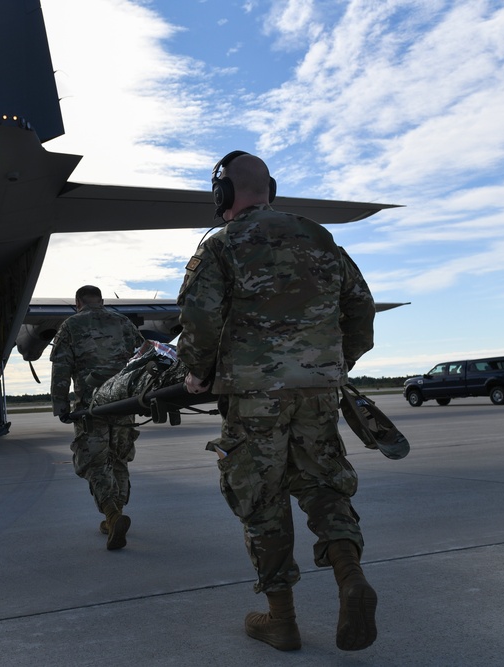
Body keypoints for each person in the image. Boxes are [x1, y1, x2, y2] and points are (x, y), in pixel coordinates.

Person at [177, 151, 378, 652]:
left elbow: (199, 320)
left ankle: (281, 619)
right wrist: (332, 365)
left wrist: (197, 373)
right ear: (272, 189)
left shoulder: (222, 245)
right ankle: (350, 577)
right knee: (323, 482)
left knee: (259, 496)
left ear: (222, 195)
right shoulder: (321, 238)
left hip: (252, 397)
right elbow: (361, 307)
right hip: (318, 391)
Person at [50, 285, 145, 550]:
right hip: (124, 402)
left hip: (91, 407)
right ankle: (116, 514)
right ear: (101, 301)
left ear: (77, 302)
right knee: (120, 459)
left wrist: (61, 405)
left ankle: (113, 516)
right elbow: (144, 356)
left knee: (95, 462)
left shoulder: (71, 325)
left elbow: (61, 367)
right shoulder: (122, 322)